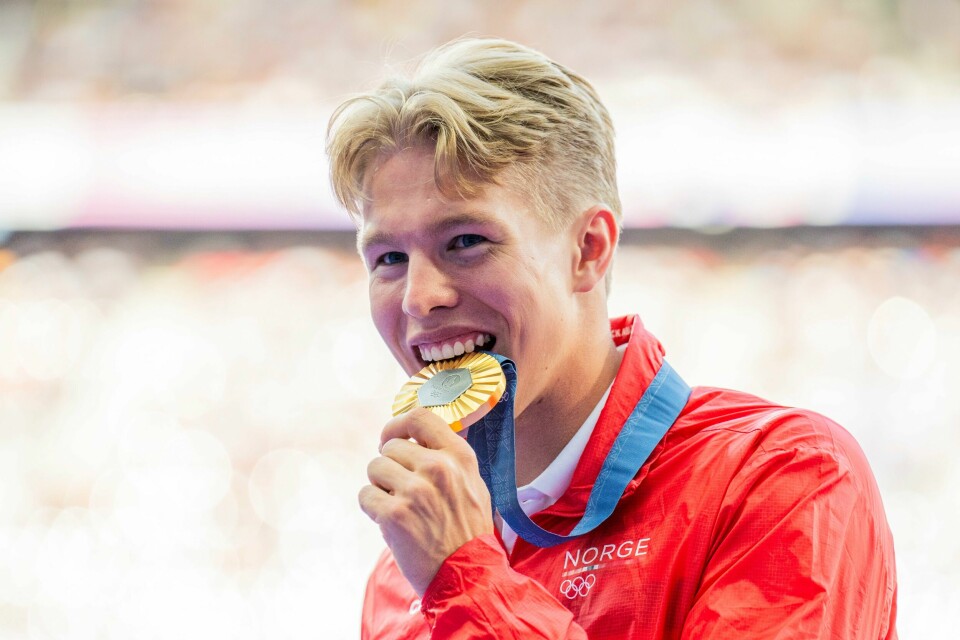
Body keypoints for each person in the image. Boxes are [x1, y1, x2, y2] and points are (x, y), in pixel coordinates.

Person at [326, 37, 898, 639]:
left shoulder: (783, 477)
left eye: (466, 241)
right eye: (388, 257)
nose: (419, 296)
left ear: (588, 250)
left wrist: (467, 578)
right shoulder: (401, 570)